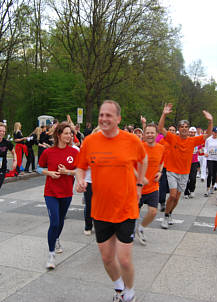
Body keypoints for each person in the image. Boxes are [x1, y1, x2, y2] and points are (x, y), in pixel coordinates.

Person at [76, 100, 148, 302]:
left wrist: (139, 184)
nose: (104, 118)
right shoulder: (90, 142)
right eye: (101, 115)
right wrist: (80, 180)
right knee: (107, 258)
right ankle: (119, 288)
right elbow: (81, 166)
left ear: (118, 119)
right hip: (101, 210)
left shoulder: (131, 141)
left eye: (109, 115)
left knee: (124, 260)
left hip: (126, 208)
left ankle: (130, 292)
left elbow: (144, 159)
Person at [158, 103, 213, 229]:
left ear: (188, 129)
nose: (184, 128)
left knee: (177, 197)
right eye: (182, 127)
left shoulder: (192, 140)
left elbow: (207, 135)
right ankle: (165, 217)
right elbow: (161, 129)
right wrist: (164, 114)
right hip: (172, 171)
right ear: (179, 129)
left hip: (184, 172)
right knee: (172, 195)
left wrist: (210, 121)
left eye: (186, 127)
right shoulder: (173, 138)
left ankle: (170, 213)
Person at [37, 122, 79, 270]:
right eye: (66, 133)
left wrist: (67, 172)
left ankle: (56, 238)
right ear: (59, 134)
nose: (69, 136)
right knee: (54, 222)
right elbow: (38, 168)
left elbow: (80, 171)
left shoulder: (74, 152)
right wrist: (48, 173)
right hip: (51, 192)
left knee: (60, 222)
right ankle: (51, 255)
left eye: (70, 133)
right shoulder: (49, 152)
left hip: (66, 192)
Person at [136, 124, 164, 246]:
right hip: (138, 187)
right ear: (144, 135)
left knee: (153, 212)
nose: (150, 135)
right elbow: (130, 165)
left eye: (152, 133)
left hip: (153, 186)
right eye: (148, 133)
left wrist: (160, 171)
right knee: (133, 215)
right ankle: (129, 231)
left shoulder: (161, 148)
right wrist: (141, 178)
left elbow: (162, 162)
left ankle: (141, 228)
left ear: (157, 134)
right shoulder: (139, 147)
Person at [158, 125, 176, 212]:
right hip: (164, 167)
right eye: (170, 130)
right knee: (163, 185)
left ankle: (169, 201)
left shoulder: (177, 141)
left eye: (173, 130)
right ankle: (162, 202)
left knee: (170, 187)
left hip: (173, 168)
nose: (171, 132)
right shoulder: (162, 141)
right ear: (168, 131)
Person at [184, 127, 200, 198]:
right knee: (186, 178)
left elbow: (201, 149)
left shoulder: (197, 140)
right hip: (186, 162)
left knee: (193, 177)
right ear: (188, 132)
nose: (192, 134)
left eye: (194, 133)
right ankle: (186, 192)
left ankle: (192, 190)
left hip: (194, 161)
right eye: (191, 132)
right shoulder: (185, 140)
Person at [204, 127, 217, 196]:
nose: (216, 134)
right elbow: (205, 147)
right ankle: (207, 189)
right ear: (212, 132)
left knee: (214, 174)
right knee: (210, 173)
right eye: (215, 132)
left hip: (216, 159)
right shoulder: (208, 139)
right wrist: (205, 152)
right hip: (209, 158)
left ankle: (212, 186)